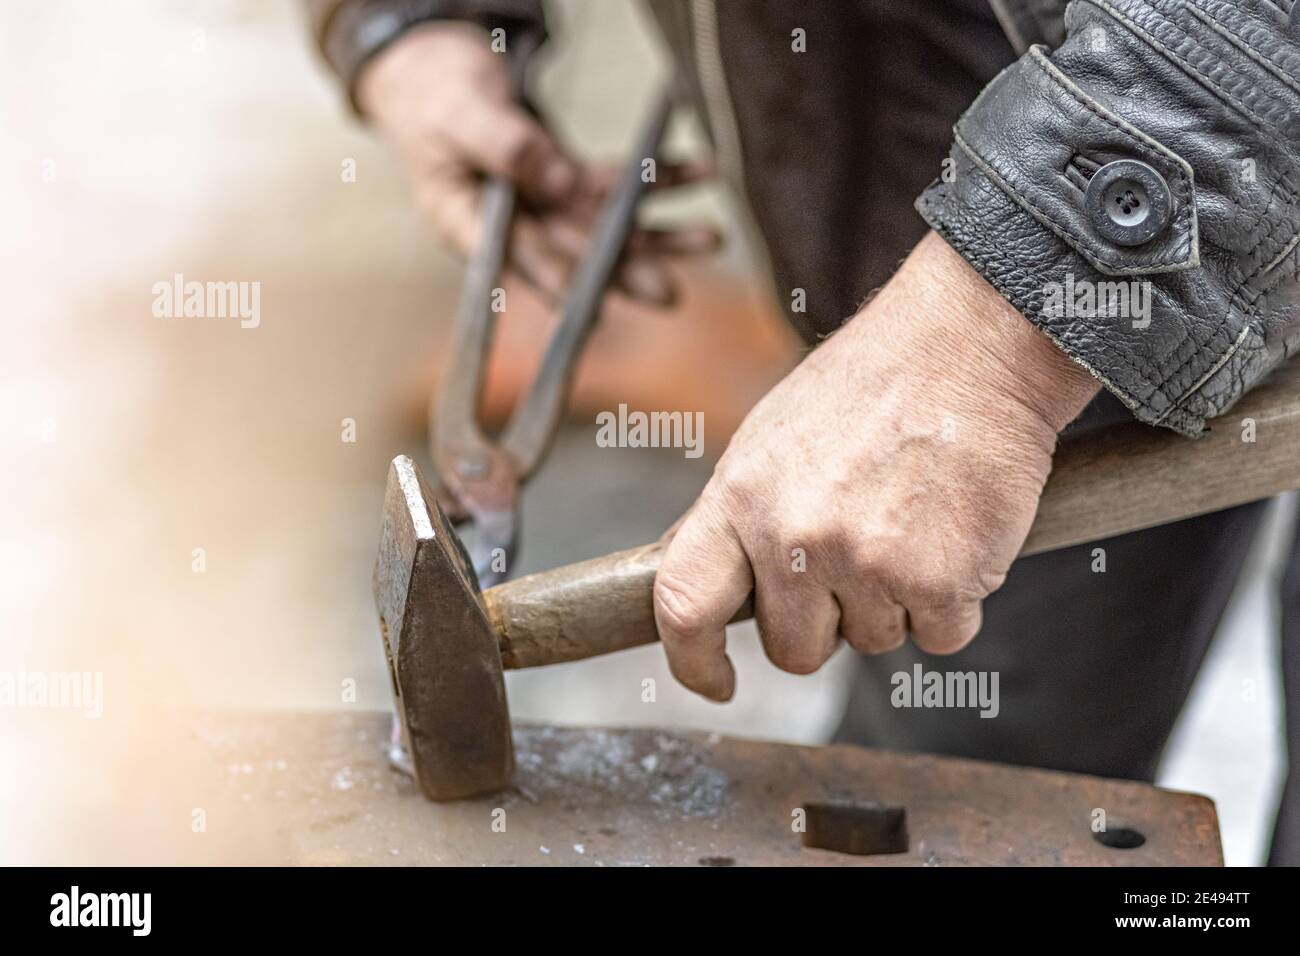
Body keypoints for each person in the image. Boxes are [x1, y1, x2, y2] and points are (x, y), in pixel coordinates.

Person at [305, 0, 1300, 863]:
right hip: (993, 218)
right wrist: (414, 25)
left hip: (1095, 219)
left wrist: (992, 336)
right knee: (956, 761)